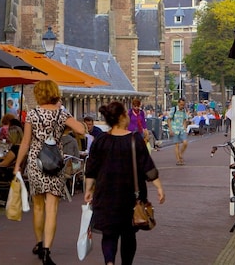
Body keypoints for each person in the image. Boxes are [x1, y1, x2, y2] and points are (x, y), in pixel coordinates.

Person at [13, 80, 87, 265]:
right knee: (52, 208)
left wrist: (17, 165)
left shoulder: (32, 114)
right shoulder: (61, 114)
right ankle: (47, 251)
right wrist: (65, 124)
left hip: (36, 162)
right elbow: (82, 130)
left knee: (38, 206)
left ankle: (38, 243)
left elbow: (25, 142)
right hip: (55, 162)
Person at [84, 101, 164, 265]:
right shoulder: (135, 140)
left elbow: (91, 169)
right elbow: (147, 166)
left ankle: (109, 262)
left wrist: (88, 189)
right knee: (128, 234)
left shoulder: (100, 141)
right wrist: (159, 187)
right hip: (130, 196)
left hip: (106, 195)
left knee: (109, 233)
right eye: (126, 114)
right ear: (121, 117)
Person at [168, 98, 191, 166]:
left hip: (181, 129)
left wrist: (185, 128)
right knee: (177, 145)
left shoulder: (183, 110)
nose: (182, 106)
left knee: (185, 143)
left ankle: (180, 153)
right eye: (181, 105)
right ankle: (178, 160)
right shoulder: (173, 109)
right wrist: (170, 129)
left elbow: (184, 119)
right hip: (175, 129)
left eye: (183, 105)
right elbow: (169, 119)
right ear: (178, 103)